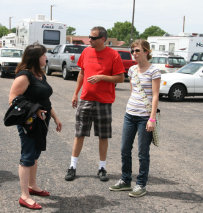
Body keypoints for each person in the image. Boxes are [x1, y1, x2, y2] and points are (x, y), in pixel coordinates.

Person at [64, 26, 125, 182]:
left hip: (104, 102)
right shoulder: (86, 52)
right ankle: (72, 167)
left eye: (93, 38)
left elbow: (120, 78)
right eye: (89, 37)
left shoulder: (113, 55)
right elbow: (82, 73)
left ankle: (102, 168)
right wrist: (75, 93)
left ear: (103, 39)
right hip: (86, 99)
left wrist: (102, 77)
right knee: (79, 134)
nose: (89, 40)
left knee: (103, 136)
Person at [8, 44, 62, 210]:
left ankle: (32, 186)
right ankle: (24, 195)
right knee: (28, 155)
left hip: (42, 121)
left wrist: (55, 117)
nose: (46, 58)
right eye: (44, 55)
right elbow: (13, 99)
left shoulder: (40, 75)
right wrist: (35, 110)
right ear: (35, 57)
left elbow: (45, 100)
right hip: (28, 122)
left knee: (35, 153)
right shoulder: (25, 76)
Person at [109, 39, 161, 197]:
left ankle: (141, 184)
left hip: (145, 117)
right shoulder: (131, 70)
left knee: (143, 153)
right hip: (130, 115)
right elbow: (133, 91)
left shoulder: (154, 71)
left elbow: (155, 95)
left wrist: (152, 119)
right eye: (133, 51)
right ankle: (125, 180)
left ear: (146, 51)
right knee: (125, 149)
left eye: (137, 50)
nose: (134, 53)